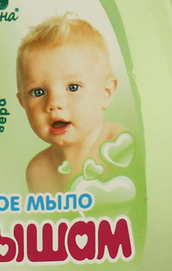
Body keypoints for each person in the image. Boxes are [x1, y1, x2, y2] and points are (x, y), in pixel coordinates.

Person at [16, 13, 124, 193]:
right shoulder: (39, 171)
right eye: (38, 92)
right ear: (23, 102)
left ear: (106, 93)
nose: (53, 103)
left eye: (73, 87)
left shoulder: (121, 145)